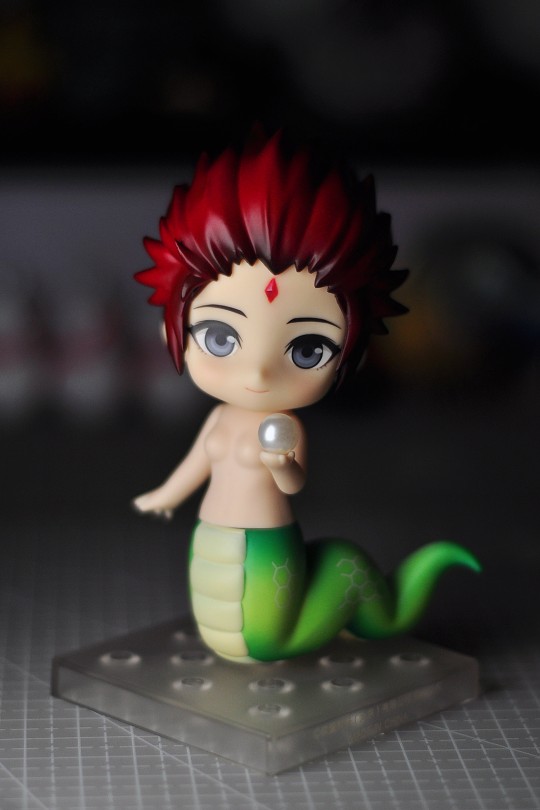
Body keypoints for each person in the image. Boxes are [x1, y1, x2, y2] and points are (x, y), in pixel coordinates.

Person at [133, 127, 480, 662]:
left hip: (267, 547)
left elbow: (294, 480)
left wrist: (281, 465)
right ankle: (348, 589)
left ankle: (358, 591)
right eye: (221, 337)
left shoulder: (286, 426)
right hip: (212, 541)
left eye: (307, 348)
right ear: (170, 327)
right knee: (234, 634)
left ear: (352, 355)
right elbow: (199, 461)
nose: (259, 370)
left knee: (270, 637)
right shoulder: (223, 417)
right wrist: (166, 495)